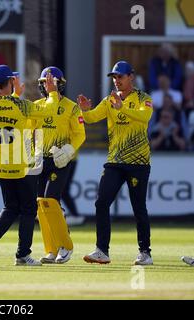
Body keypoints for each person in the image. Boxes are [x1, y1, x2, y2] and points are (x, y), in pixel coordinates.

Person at [77, 61, 154, 265]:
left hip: (139, 162)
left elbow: (144, 117)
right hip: (115, 160)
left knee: (139, 207)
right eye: (114, 77)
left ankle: (145, 252)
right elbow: (93, 118)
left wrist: (122, 108)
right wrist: (85, 110)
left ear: (131, 77)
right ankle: (102, 250)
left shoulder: (143, 98)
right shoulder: (110, 100)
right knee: (102, 202)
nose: (116, 81)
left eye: (120, 76)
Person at [0, 65, 59, 266]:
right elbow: (47, 111)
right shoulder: (21, 105)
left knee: (11, 206)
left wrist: (15, 93)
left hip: (1, 166)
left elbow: (6, 105)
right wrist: (52, 92)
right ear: (11, 81)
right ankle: (22, 254)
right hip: (22, 166)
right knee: (27, 209)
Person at [33, 67, 86, 264]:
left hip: (60, 160)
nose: (46, 85)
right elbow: (31, 132)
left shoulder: (72, 107)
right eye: (44, 82)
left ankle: (66, 246)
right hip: (41, 161)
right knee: (41, 203)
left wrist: (69, 150)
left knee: (52, 201)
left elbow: (80, 134)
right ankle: (51, 249)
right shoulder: (37, 106)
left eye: (51, 82)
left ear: (59, 84)